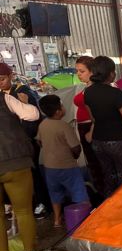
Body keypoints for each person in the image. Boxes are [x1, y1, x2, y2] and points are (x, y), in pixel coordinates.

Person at [0, 84, 48, 251]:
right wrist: (23, 102)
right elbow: (32, 115)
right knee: (23, 211)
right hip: (15, 161)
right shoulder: (5, 98)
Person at [0, 63, 49, 219]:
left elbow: (35, 116)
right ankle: (12, 205)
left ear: (11, 76)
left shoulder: (22, 92)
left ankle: (40, 203)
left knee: (33, 174)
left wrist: (26, 103)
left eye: (2, 79)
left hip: (25, 143)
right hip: (7, 147)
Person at [84, 56, 122, 198]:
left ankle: (109, 205)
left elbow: (93, 118)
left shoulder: (88, 92)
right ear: (111, 73)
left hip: (98, 142)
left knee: (108, 175)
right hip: (119, 142)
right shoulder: (116, 94)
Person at [36, 95, 90, 228]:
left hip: (49, 167)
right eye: (62, 105)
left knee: (55, 194)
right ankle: (84, 221)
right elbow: (75, 147)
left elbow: (39, 141)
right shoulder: (64, 125)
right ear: (58, 111)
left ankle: (57, 220)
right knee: (78, 193)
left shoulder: (43, 124)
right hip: (68, 166)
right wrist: (75, 156)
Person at [72, 56, 104, 196]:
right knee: (91, 161)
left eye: (82, 71)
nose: (78, 74)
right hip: (84, 126)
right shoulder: (85, 87)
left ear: (92, 72)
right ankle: (99, 189)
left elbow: (99, 113)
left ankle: (102, 191)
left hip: (91, 127)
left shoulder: (95, 89)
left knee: (97, 161)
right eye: (77, 71)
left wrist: (92, 130)